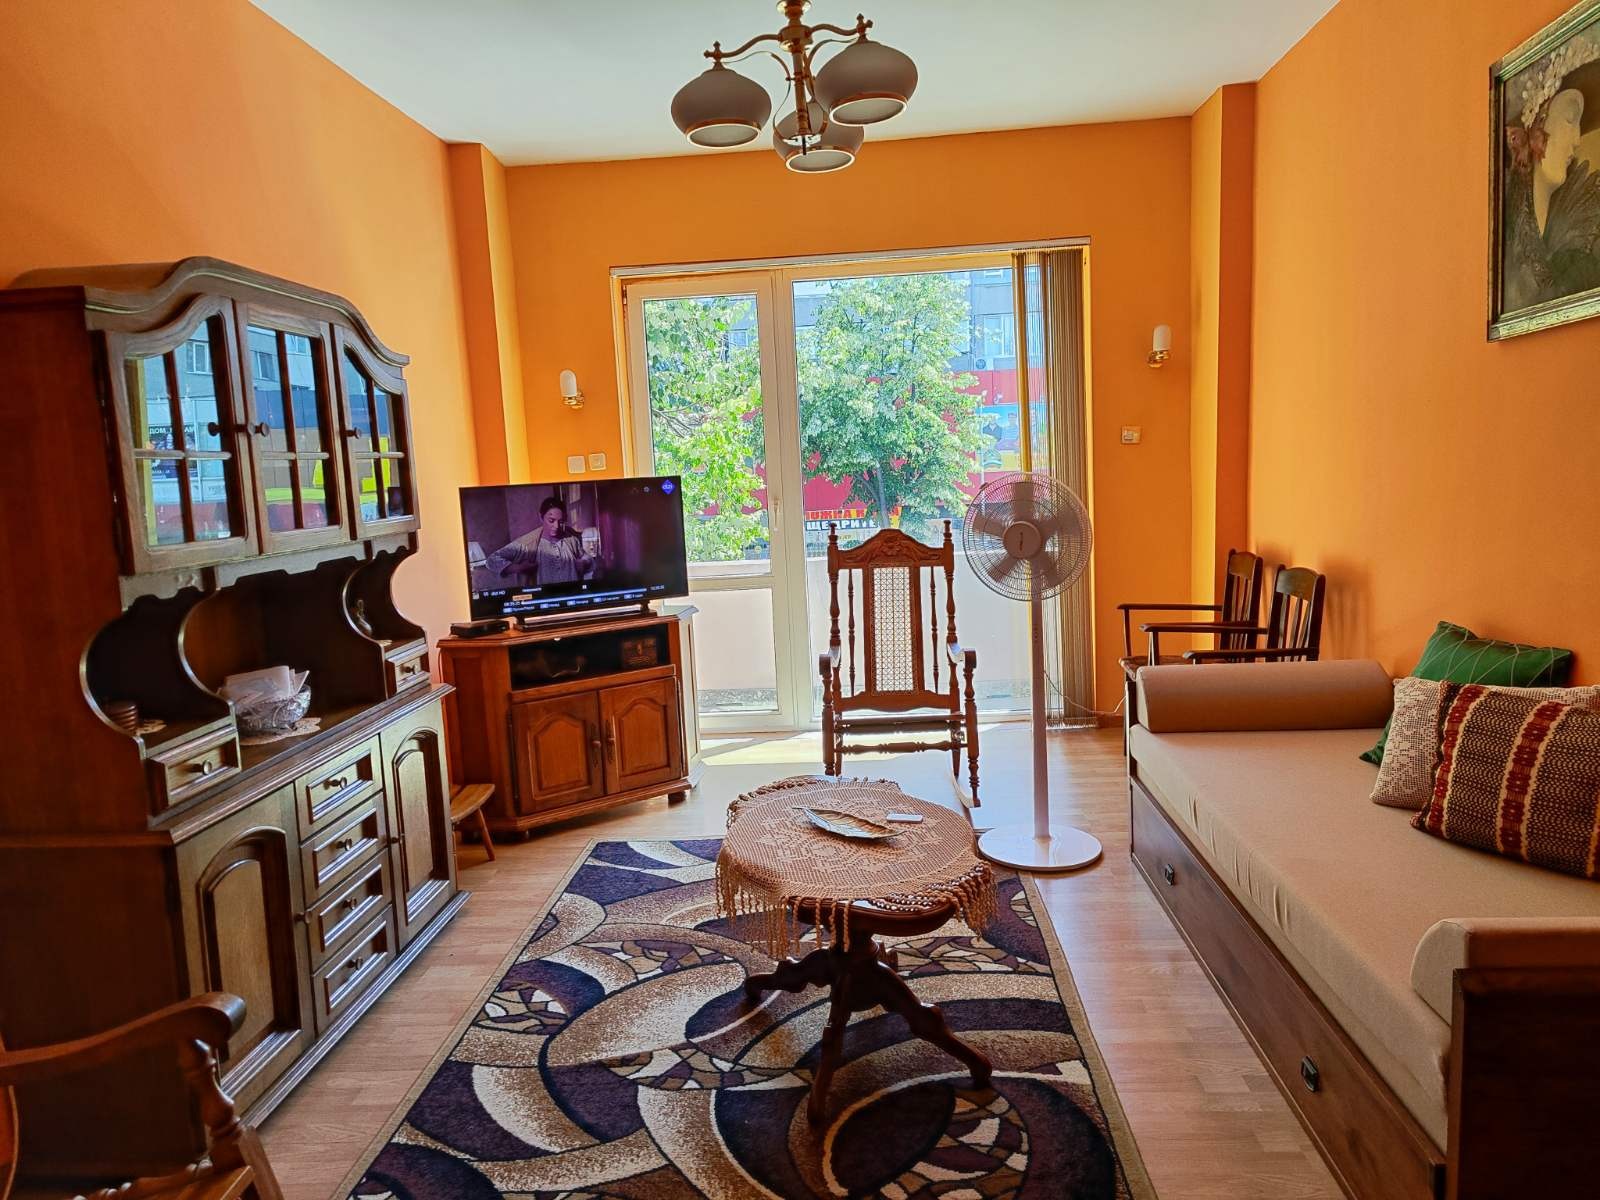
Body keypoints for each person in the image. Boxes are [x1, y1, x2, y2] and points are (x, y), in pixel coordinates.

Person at [485, 496, 596, 585]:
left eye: (561, 521)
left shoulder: (571, 539)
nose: (556, 526)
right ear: (541, 517)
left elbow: (587, 557)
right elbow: (491, 560)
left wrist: (584, 562)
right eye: (551, 520)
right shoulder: (527, 544)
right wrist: (518, 568)